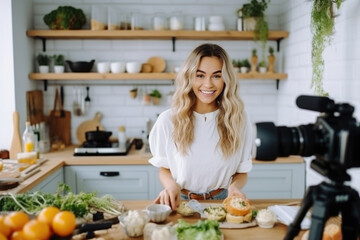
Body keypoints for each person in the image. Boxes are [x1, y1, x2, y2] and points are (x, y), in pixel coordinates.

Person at [148, 43, 254, 210]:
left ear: (226, 79)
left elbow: (242, 172)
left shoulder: (238, 119)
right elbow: (164, 168)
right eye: (200, 75)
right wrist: (171, 186)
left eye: (217, 76)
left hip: (222, 202)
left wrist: (234, 188)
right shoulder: (168, 120)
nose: (208, 84)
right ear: (189, 77)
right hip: (180, 202)